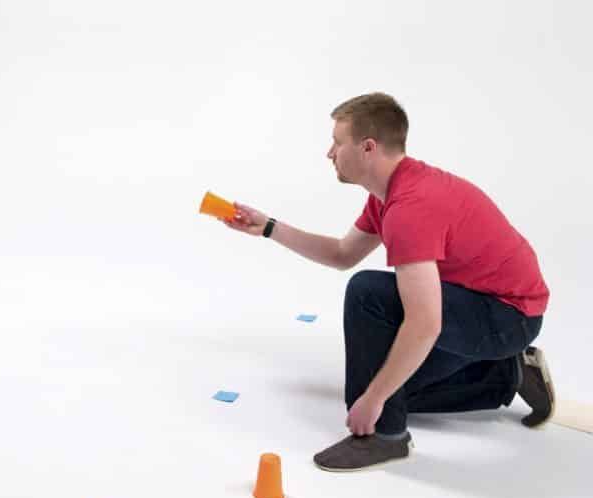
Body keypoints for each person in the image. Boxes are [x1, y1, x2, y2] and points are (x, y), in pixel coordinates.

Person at [223, 93, 553, 471]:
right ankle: (507, 373)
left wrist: (374, 400)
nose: (329, 153)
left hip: (508, 316)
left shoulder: (410, 207)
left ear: (367, 148)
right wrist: (268, 228)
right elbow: (342, 254)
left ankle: (385, 437)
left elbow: (425, 323)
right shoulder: (390, 193)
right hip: (481, 305)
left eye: (337, 142)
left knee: (368, 298)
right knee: (392, 385)